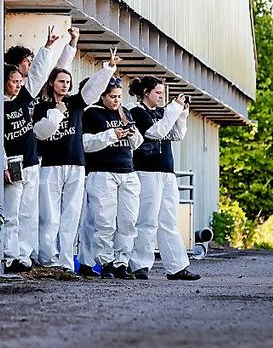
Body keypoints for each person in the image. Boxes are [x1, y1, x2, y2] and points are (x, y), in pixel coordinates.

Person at [32, 49, 119, 272]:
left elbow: (92, 90)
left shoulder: (76, 103)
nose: (65, 85)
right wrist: (56, 112)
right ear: (52, 83)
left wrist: (108, 69)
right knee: (49, 215)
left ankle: (66, 262)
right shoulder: (42, 107)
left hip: (76, 164)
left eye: (68, 82)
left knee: (71, 215)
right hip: (51, 165)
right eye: (61, 81)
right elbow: (41, 133)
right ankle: (48, 259)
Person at [1, 27, 78, 272]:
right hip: (13, 160)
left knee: (29, 212)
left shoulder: (25, 96)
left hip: (33, 160)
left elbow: (42, 74)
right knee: (11, 211)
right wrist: (2, 163)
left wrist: (49, 47)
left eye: (18, 82)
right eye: (13, 81)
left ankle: (24, 254)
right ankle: (10, 255)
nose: (17, 85)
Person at [127, 76, 199, 280]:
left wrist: (182, 113)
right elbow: (156, 132)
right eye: (158, 92)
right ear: (146, 93)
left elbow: (177, 134)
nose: (161, 97)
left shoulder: (162, 112)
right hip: (146, 171)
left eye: (162, 93)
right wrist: (173, 110)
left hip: (167, 171)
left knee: (168, 219)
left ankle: (176, 267)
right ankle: (140, 264)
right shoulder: (136, 112)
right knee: (147, 219)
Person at [80, 77, 144, 279]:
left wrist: (131, 133)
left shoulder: (125, 112)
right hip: (102, 171)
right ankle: (105, 262)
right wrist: (111, 135)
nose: (116, 101)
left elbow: (138, 143)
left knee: (128, 220)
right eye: (112, 97)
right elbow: (86, 143)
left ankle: (122, 263)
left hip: (127, 170)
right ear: (102, 96)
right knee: (105, 221)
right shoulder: (92, 113)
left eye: (119, 96)